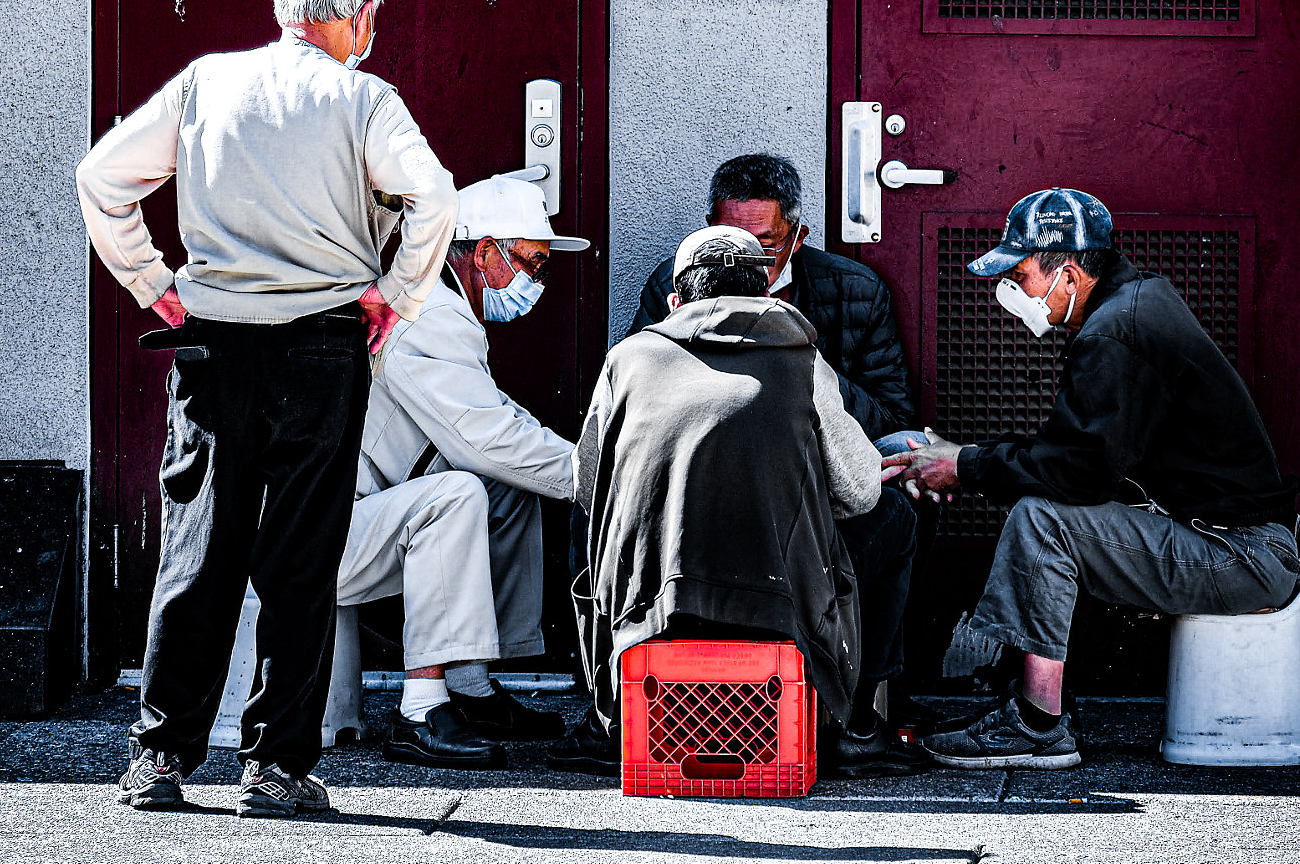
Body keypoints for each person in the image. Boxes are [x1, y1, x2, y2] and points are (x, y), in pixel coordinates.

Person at [77, 0, 457, 817]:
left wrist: (151, 282)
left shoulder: (208, 81)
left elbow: (102, 177)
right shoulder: (365, 101)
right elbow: (433, 198)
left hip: (214, 343)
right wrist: (396, 296)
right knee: (299, 560)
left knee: (197, 549)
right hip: (323, 345)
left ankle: (159, 758)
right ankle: (276, 767)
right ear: (359, 14)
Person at [882, 188, 1300, 771]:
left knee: (1042, 518)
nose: (1013, 294)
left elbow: (1079, 475)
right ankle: (1032, 707)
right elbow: (1076, 454)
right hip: (1234, 541)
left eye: (1022, 275)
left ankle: (1037, 723)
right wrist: (969, 458)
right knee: (1041, 505)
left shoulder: (1113, 334)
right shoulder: (1132, 304)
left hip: (1241, 556)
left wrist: (964, 466)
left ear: (1070, 274)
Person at [560, 227, 932, 780]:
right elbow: (858, 492)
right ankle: (855, 726)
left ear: (675, 302)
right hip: (778, 610)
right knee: (896, 517)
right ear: (766, 298)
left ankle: (605, 717)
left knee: (582, 521)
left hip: (653, 608)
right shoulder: (803, 362)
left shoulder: (627, 360)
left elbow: (590, 484)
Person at [338, 174, 585, 769]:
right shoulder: (427, 317)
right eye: (531, 262)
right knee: (459, 491)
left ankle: (470, 687)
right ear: (483, 253)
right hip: (324, 539)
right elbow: (484, 437)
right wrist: (600, 477)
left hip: (360, 518)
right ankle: (420, 709)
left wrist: (577, 465)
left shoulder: (445, 308)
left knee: (505, 488)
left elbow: (499, 422)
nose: (537, 281)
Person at [628, 154, 914, 439]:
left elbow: (892, 418)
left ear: (797, 239)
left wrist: (798, 367)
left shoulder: (857, 290)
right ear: (708, 232)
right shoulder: (674, 281)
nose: (744, 261)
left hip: (815, 453)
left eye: (763, 246)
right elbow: (635, 393)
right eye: (730, 242)